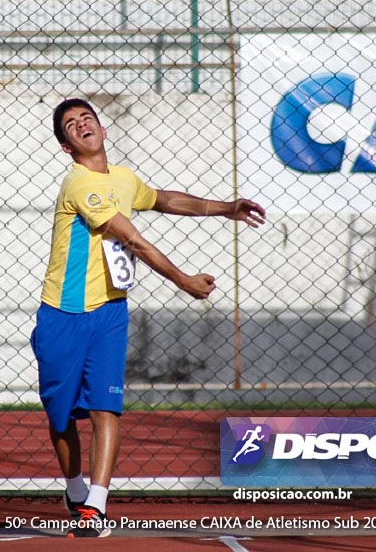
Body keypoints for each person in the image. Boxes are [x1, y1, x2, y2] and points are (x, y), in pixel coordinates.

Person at [30, 98, 267, 538]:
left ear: (101, 128)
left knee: (106, 407)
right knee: (61, 418)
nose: (83, 125)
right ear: (66, 146)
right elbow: (133, 240)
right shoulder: (80, 184)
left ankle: (95, 508)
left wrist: (225, 207)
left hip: (109, 313)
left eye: (88, 118)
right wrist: (184, 280)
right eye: (71, 124)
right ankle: (75, 488)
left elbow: (163, 199)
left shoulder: (122, 179)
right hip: (62, 315)